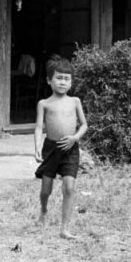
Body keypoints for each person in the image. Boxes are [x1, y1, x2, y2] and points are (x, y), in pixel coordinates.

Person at [33, 56, 87, 237]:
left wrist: (74, 138)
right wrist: (36, 147)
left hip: (70, 148)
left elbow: (84, 125)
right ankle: (43, 210)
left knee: (69, 187)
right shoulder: (44, 103)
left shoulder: (75, 101)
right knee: (45, 190)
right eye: (59, 78)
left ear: (71, 82)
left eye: (67, 79)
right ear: (49, 80)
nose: (63, 82)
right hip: (50, 149)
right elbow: (39, 127)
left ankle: (65, 228)